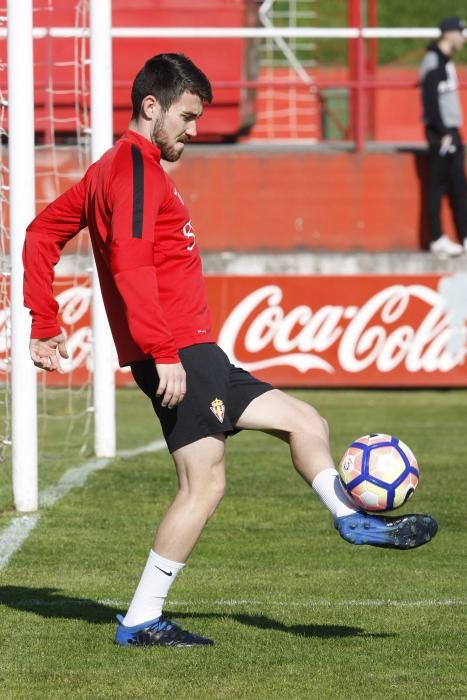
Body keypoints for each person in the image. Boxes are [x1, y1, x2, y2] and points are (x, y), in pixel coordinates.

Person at [23, 53, 438, 648]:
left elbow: (41, 234)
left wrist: (45, 320)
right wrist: (162, 350)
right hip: (179, 354)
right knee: (204, 485)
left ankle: (353, 517)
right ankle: (142, 619)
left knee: (304, 421)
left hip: (196, 353)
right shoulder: (134, 172)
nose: (193, 131)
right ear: (151, 107)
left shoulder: (110, 171)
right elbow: (134, 266)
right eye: (187, 117)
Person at [419, 16, 467, 257]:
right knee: (437, 186)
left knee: (459, 185)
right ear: (449, 33)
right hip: (442, 132)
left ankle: (465, 236)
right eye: (460, 32)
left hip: (451, 131)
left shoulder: (445, 60)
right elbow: (429, 100)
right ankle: (437, 238)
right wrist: (442, 131)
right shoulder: (433, 61)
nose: (463, 37)